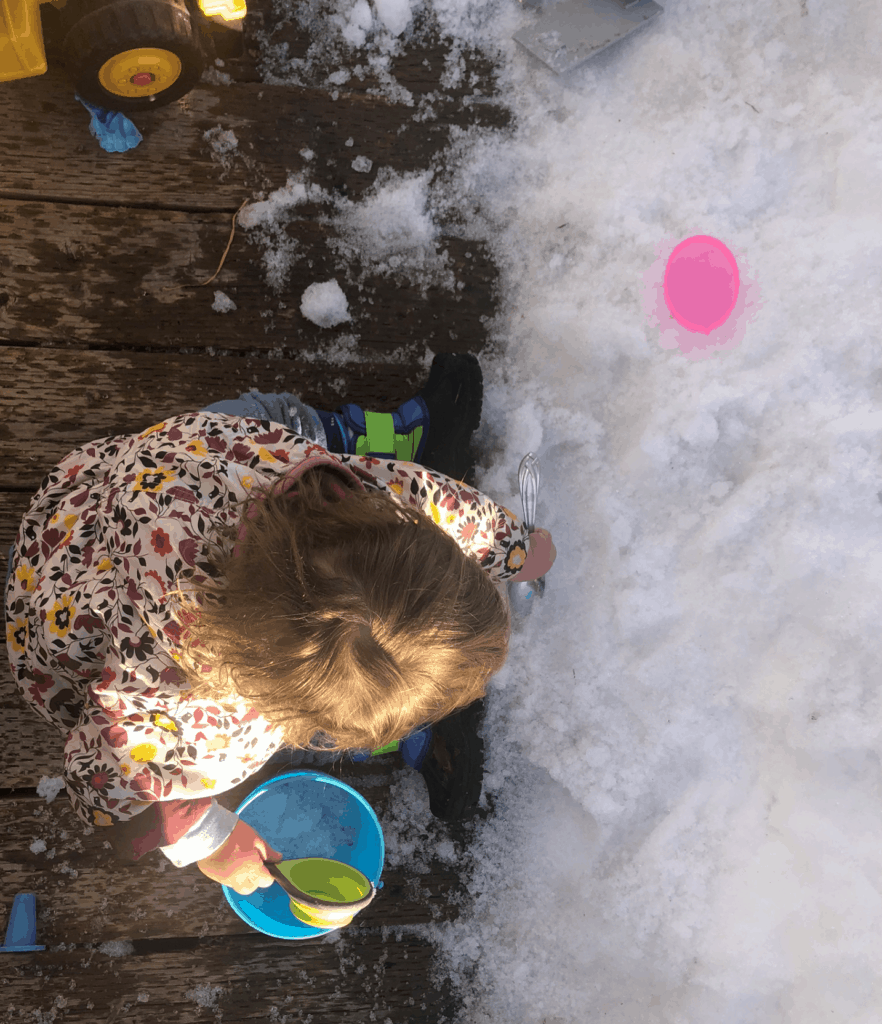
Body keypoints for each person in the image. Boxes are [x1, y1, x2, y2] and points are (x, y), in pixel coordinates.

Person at [4, 354, 556, 897]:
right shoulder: (192, 719)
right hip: (50, 633)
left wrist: (519, 550)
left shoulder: (347, 498)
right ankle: (371, 732)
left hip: (90, 501)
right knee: (306, 727)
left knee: (276, 425)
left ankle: (356, 432)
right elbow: (104, 785)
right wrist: (214, 843)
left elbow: (438, 506)